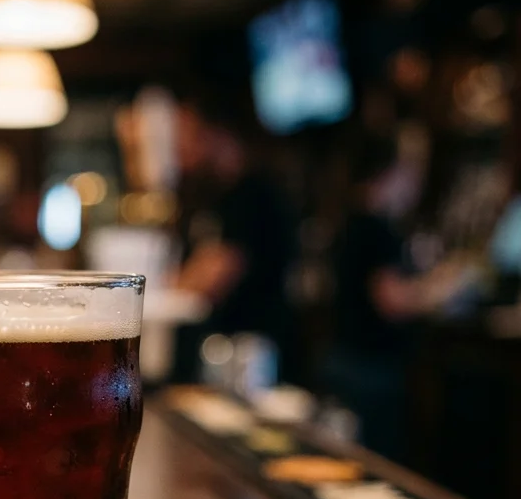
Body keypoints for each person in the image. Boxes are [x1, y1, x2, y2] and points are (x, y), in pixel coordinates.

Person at [328, 135, 464, 461]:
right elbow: (390, 301)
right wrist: (440, 290)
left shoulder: (348, 219)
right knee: (374, 468)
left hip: (345, 359)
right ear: (388, 172)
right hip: (370, 370)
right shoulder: (376, 227)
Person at [168, 94, 297, 383]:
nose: (180, 147)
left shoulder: (254, 194)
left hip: (251, 360)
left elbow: (212, 279)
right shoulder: (212, 196)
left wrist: (178, 284)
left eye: (187, 135)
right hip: (218, 355)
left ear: (216, 134)